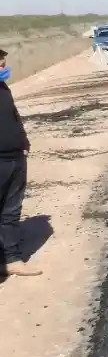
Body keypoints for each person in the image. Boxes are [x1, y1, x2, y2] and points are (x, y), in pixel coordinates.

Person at [0, 48, 40, 278]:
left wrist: (24, 143)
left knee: (10, 212)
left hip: (15, 158)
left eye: (2, 59)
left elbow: (14, 117)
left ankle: (12, 260)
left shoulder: (3, 88)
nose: (3, 63)